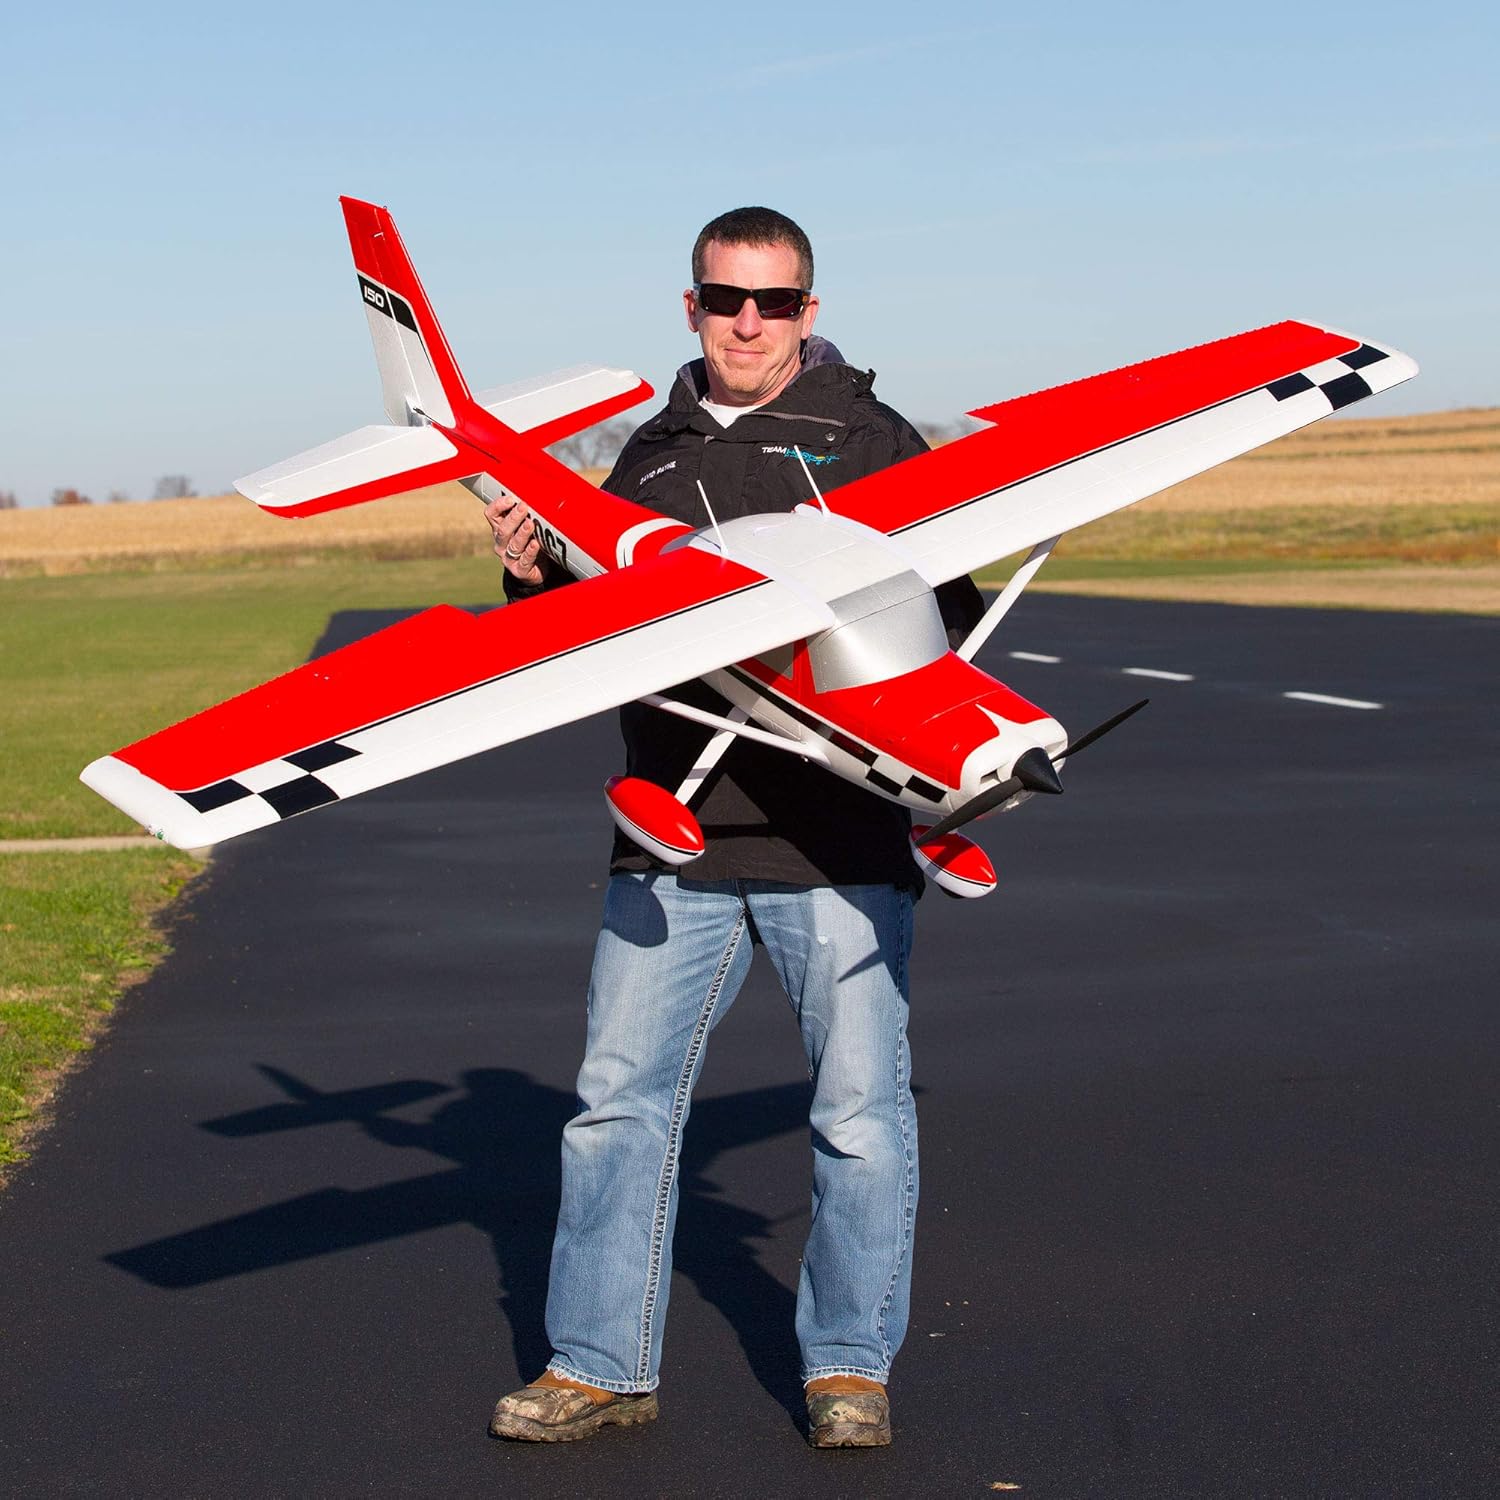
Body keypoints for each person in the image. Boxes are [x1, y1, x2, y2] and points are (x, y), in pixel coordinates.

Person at [485, 208, 983, 1448]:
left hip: (844, 842)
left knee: (863, 1114)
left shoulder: (876, 444)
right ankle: (598, 1363)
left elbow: (953, 615)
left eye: (771, 301)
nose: (745, 322)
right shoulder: (644, 455)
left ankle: (849, 1370)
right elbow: (586, 640)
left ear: (810, 312)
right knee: (616, 1104)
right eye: (722, 299)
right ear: (692, 307)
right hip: (679, 833)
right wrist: (532, 572)